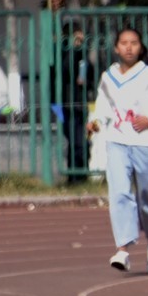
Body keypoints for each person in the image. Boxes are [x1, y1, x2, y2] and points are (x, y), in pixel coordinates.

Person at [87, 28, 148, 273]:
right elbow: (102, 107)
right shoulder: (108, 76)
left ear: (141, 47)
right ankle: (122, 249)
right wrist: (95, 122)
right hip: (117, 142)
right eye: (124, 43)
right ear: (116, 48)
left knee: (147, 198)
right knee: (119, 193)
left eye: (133, 43)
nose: (129, 47)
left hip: (147, 144)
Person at [60, 24, 94, 184]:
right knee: (73, 140)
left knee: (83, 141)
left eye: (81, 38)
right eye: (77, 38)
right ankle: (73, 176)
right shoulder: (64, 53)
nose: (80, 41)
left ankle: (81, 174)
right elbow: (65, 70)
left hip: (81, 104)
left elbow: (91, 74)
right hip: (66, 104)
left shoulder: (84, 56)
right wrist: (74, 49)